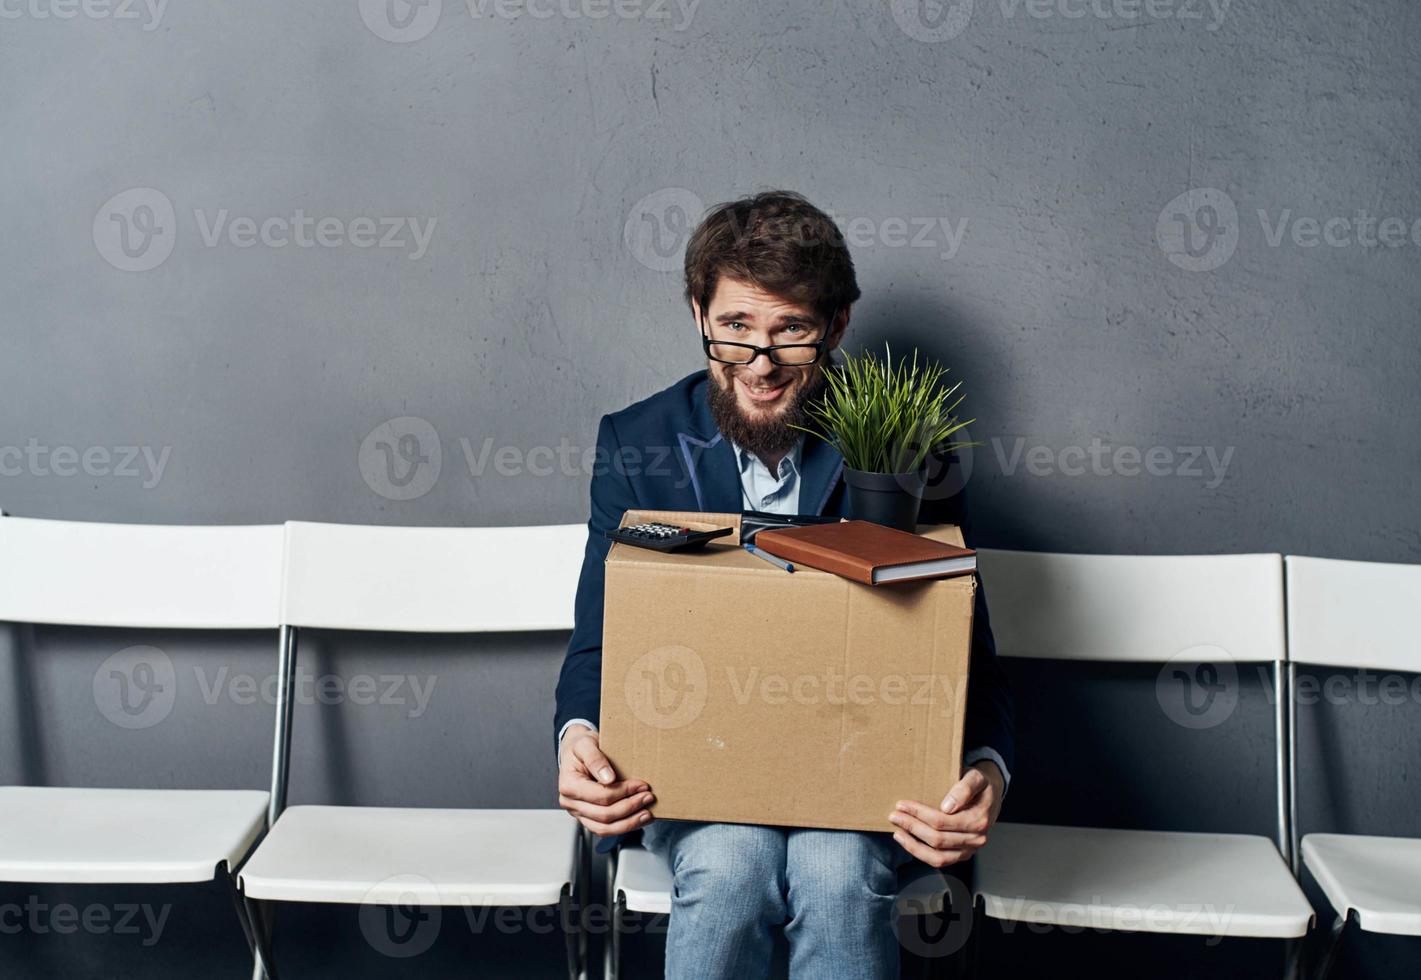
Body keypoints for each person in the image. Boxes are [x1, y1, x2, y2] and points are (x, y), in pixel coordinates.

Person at [555, 190, 1014, 979]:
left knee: (838, 876)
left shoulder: (906, 445)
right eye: (733, 330)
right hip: (699, 772)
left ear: (835, 327)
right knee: (730, 870)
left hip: (857, 771)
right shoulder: (637, 444)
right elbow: (601, 637)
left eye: (790, 332)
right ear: (698, 311)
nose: (759, 366)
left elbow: (962, 643)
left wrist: (986, 768)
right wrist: (577, 742)